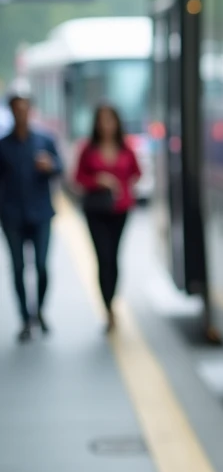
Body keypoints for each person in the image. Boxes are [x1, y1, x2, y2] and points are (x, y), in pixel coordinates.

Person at [0, 81, 61, 341]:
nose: (21, 113)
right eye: (16, 109)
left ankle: (40, 311)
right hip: (12, 214)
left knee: (42, 266)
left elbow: (60, 168)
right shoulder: (3, 145)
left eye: (24, 108)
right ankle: (25, 318)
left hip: (41, 213)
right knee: (17, 268)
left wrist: (50, 166)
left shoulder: (44, 140)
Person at [74, 103, 142, 332]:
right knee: (103, 257)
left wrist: (121, 185)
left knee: (113, 257)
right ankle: (107, 307)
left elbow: (137, 172)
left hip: (120, 210)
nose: (106, 125)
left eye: (109, 120)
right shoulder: (87, 148)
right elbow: (78, 178)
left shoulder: (126, 147)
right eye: (101, 120)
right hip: (96, 211)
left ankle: (112, 300)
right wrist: (98, 180)